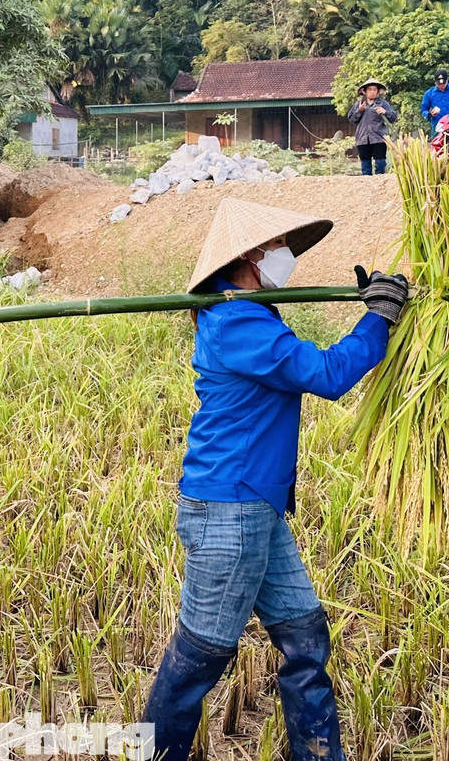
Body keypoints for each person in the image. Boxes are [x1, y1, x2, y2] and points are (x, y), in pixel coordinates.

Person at [139, 198, 409, 761]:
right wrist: (377, 318)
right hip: (228, 508)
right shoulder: (236, 321)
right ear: (251, 256)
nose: (287, 257)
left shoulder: (254, 314)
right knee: (202, 654)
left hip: (256, 505)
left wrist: (370, 314)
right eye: (278, 248)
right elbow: (328, 374)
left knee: (305, 638)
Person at [346, 78, 397, 175]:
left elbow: (393, 117)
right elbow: (352, 119)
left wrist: (385, 112)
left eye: (374, 90)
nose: (372, 92)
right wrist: (360, 110)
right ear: (364, 91)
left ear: (378, 92)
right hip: (363, 138)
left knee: (380, 163)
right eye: (370, 89)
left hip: (379, 137)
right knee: (365, 165)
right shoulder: (359, 104)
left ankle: (381, 184)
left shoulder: (383, 103)